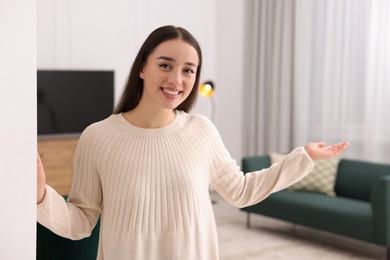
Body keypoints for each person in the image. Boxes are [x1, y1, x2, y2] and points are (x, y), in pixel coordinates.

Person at [36, 25, 349, 260]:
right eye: (165, 65)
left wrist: (303, 157)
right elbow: (82, 221)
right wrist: (40, 197)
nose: (176, 80)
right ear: (143, 67)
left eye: (188, 70)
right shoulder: (98, 136)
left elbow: (239, 191)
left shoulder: (202, 130)